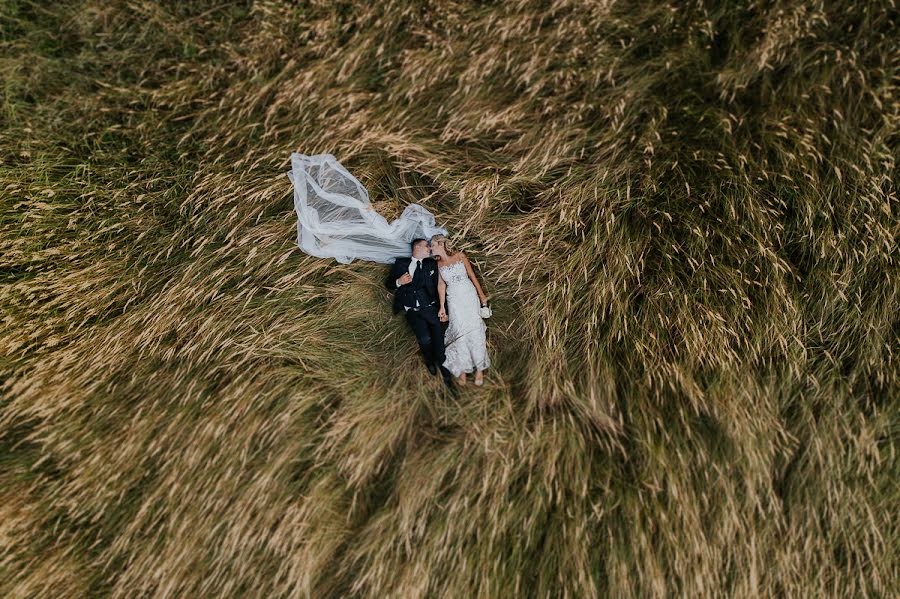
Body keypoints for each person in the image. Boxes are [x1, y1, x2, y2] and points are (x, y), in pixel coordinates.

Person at [385, 238, 455, 389]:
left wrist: (444, 309)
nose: (429, 249)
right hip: (413, 311)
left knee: (439, 345)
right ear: (417, 247)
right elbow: (388, 284)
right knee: (424, 339)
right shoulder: (401, 264)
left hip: (430, 308)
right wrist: (399, 282)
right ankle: (429, 360)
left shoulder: (431, 264)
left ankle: (448, 379)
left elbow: (440, 285)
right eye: (426, 246)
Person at [429, 234, 491, 386]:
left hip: (469, 296)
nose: (431, 248)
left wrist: (481, 294)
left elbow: (472, 275)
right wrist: (442, 306)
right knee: (458, 330)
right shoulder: (438, 264)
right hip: (454, 299)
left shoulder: (460, 256)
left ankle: (479, 370)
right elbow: (441, 285)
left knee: (475, 329)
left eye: (433, 245)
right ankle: (462, 369)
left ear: (441, 244)